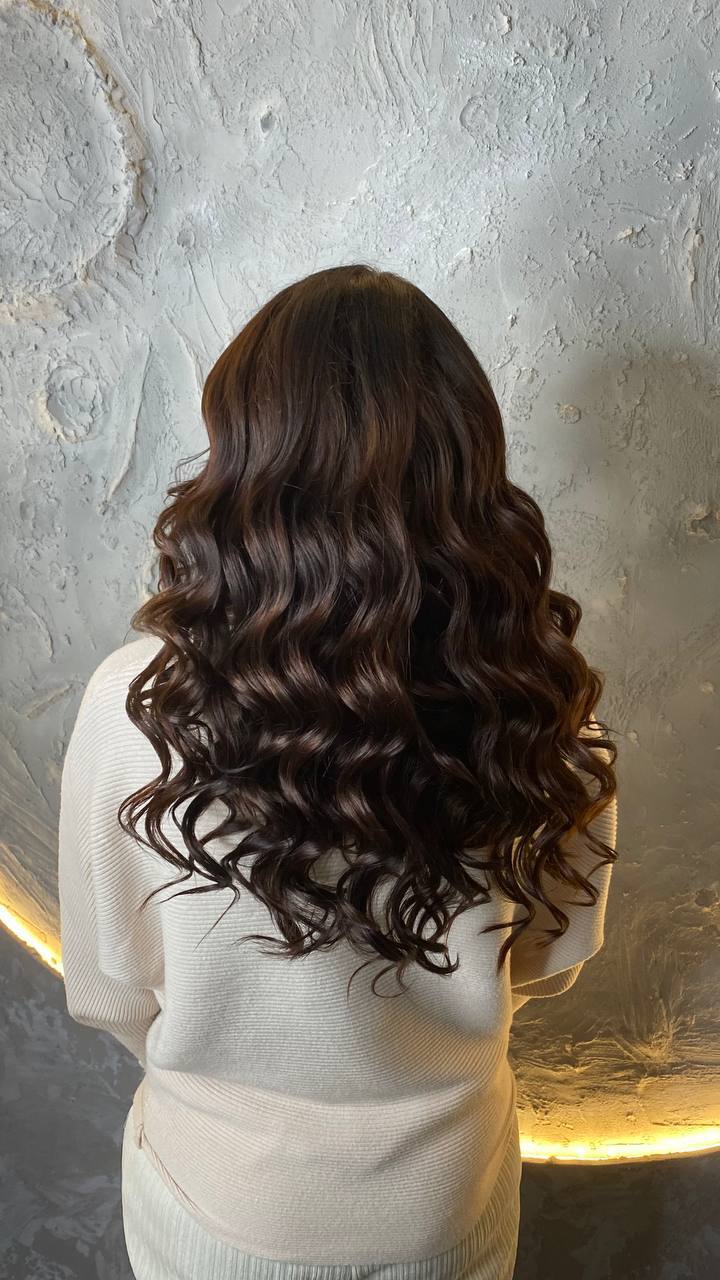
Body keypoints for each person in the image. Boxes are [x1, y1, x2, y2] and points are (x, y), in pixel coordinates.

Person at [58, 263, 618, 1280]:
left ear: (245, 455)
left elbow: (110, 990)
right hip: (445, 1210)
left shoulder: (134, 706)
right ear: (468, 463)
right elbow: (549, 961)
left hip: (216, 1208)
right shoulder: (543, 704)